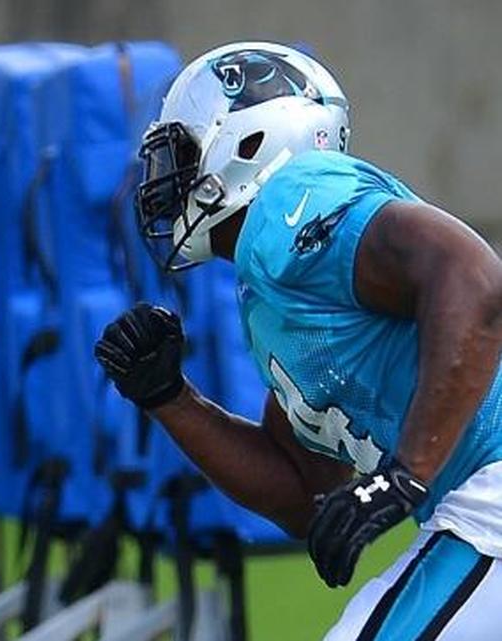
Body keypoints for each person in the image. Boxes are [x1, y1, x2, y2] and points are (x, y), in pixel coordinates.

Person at [95, 41, 502, 640]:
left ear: (250, 139)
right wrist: (170, 398)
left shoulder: (291, 202)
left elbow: (473, 279)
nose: (164, 179)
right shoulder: (270, 290)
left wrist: (405, 474)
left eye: (180, 150)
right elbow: (302, 490)